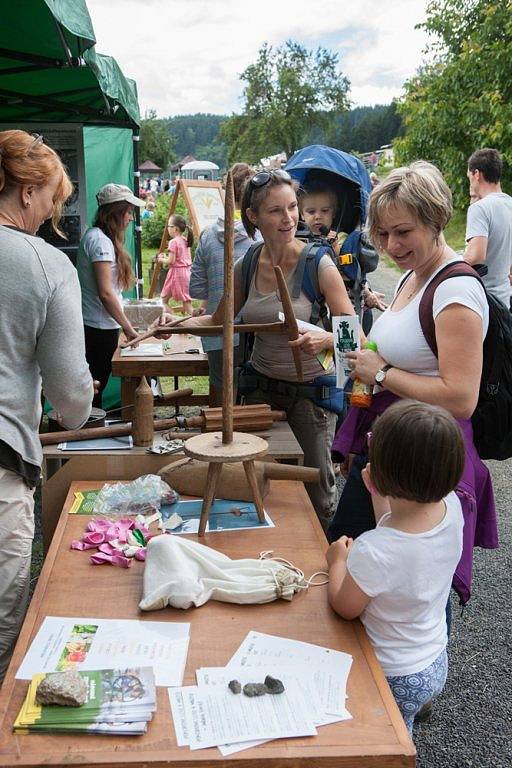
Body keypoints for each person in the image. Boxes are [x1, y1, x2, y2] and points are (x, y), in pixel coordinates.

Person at [328, 161, 498, 607]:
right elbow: (395, 351)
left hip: (425, 458)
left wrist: (380, 375)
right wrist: (332, 340)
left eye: (403, 232)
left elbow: (461, 398)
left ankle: (414, 669)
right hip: (392, 445)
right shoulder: (413, 274)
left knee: (418, 587)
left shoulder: (455, 290)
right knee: (376, 570)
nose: (391, 245)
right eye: (382, 234)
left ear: (436, 218)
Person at [176, 169, 355, 527]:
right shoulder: (247, 264)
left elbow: (354, 333)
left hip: (311, 398)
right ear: (254, 217)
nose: (288, 218)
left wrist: (325, 338)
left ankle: (321, 564)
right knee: (258, 485)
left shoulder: (317, 264)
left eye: (292, 207)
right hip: (260, 393)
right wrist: (171, 326)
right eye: (275, 210)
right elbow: (217, 321)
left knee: (317, 494)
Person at [0, 129, 93, 682]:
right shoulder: (43, 263)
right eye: (53, 202)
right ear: (26, 191)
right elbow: (73, 397)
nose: (50, 216)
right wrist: (72, 410)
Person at [327, 400, 465, 733]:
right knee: (403, 732)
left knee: (389, 741)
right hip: (433, 659)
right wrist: (380, 488)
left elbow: (345, 607)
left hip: (391, 673)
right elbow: (392, 525)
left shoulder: (373, 550)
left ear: (379, 472)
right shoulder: (451, 506)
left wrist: (338, 562)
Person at [189, 163, 259, 405]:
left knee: (219, 388)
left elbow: (196, 288)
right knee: (251, 392)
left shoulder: (208, 235)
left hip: (216, 329)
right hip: (253, 329)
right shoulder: (260, 235)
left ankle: (214, 438)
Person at [77, 183, 144, 408]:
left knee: (95, 386)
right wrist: (128, 328)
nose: (130, 218)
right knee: (94, 386)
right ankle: (84, 432)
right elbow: (106, 293)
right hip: (97, 328)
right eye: (128, 212)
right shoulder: (100, 241)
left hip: (101, 325)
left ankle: (87, 429)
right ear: (115, 213)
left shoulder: (101, 238)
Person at [465, 148, 512, 308]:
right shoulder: (509, 204)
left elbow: (476, 256)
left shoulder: (480, 208)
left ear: (476, 174)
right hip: (504, 299)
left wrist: (450, 264)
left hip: (483, 299)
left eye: (469, 177)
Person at [158, 214, 193, 315]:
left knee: (163, 301)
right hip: (186, 272)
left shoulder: (173, 242)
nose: (167, 229)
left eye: (169, 226)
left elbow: (171, 261)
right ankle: (192, 322)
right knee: (186, 302)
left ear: (175, 229)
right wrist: (166, 257)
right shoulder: (186, 240)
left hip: (176, 274)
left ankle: (176, 320)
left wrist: (161, 259)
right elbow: (184, 258)